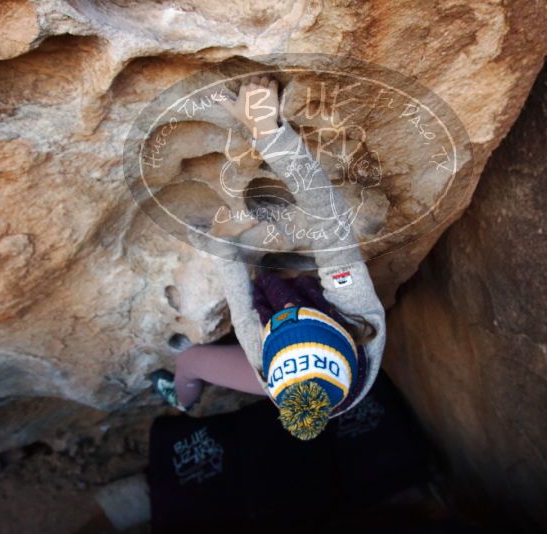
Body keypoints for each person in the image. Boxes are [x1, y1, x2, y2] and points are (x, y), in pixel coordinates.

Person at [152, 75, 386, 441]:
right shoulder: (360, 314)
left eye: (279, 323)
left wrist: (225, 244)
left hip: (281, 373)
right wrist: (267, 130)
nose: (287, 311)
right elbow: (329, 218)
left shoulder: (264, 363)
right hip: (312, 362)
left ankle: (181, 402)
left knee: (189, 362)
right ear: (339, 325)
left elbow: (243, 308)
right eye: (300, 317)